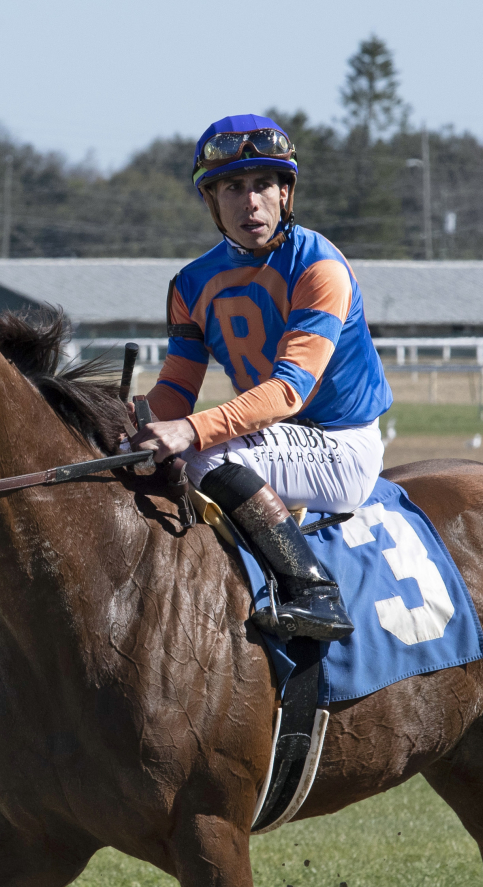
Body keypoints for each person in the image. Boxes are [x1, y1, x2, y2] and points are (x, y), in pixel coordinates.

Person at [129, 114, 393, 642]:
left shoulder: (319, 267)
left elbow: (289, 391)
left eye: (263, 185)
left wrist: (190, 429)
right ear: (212, 200)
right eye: (233, 187)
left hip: (342, 445)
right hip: (277, 439)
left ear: (284, 193)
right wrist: (129, 425)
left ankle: (313, 592)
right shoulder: (190, 283)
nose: (251, 202)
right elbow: (177, 389)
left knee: (201, 454)